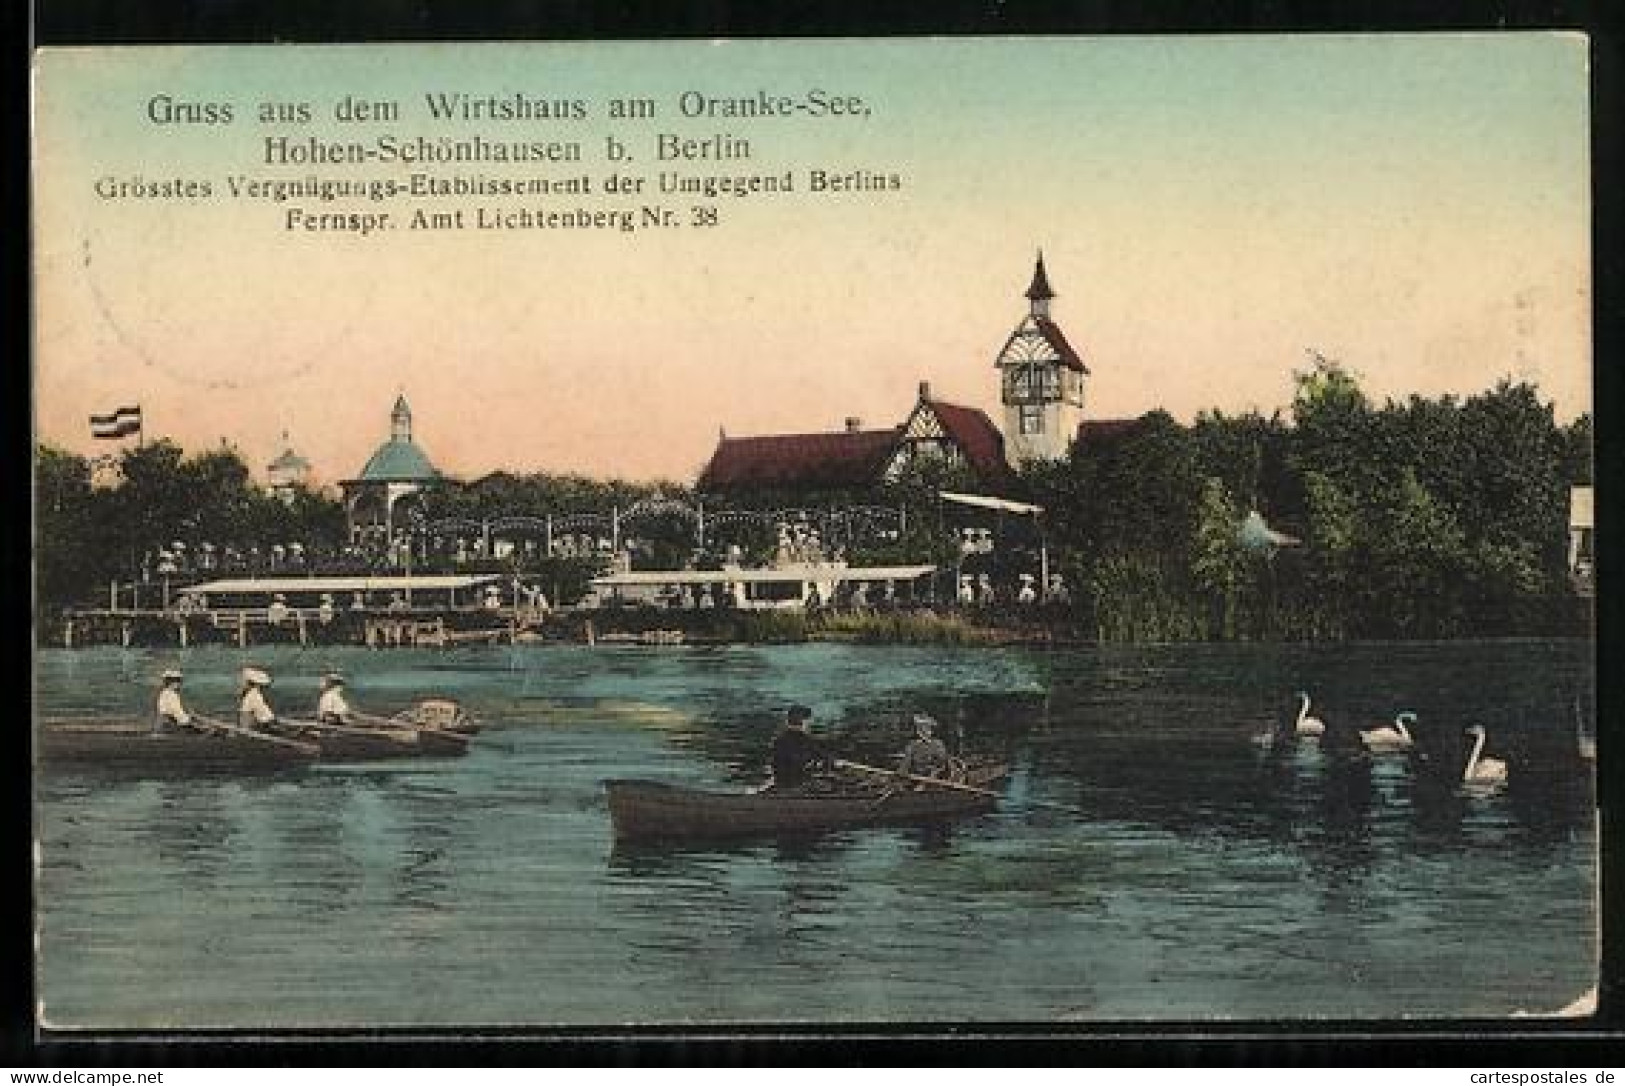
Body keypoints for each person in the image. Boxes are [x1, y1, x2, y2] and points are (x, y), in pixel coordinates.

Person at [769, 705, 831, 790]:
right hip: (797, 784)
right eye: (808, 720)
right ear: (803, 722)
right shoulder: (806, 740)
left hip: (785, 782)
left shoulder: (779, 740)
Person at [898, 714, 951, 780]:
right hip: (915, 777)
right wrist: (902, 771)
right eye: (920, 728)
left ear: (931, 731)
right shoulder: (913, 744)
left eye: (926, 728)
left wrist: (934, 773)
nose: (923, 731)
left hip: (935, 778)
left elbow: (942, 762)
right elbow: (906, 761)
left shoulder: (938, 744)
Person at [154, 668, 191, 734]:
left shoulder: (164, 693)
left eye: (178, 681)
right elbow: (178, 714)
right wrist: (190, 720)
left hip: (162, 725)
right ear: (170, 682)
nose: (179, 683)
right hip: (169, 726)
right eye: (177, 681)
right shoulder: (171, 695)